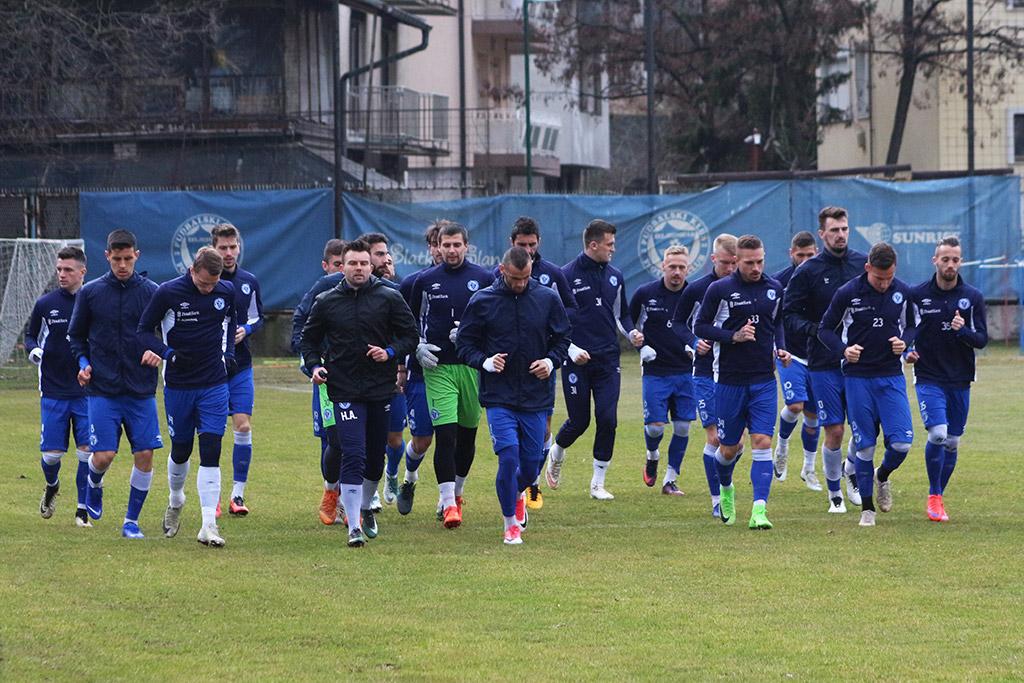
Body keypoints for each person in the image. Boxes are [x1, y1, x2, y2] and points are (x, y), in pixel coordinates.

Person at [300, 239, 418, 547]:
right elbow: (308, 341)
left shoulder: (388, 297)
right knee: (352, 452)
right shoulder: (326, 301)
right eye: (352, 263)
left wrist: (390, 351)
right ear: (343, 266)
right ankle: (353, 525)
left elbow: (411, 335)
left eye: (364, 263)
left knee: (375, 459)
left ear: (371, 265)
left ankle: (366, 509)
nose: (359, 269)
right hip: (343, 389)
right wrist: (315, 366)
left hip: (382, 389)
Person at [457, 246, 570, 544]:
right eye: (515, 278)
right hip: (498, 396)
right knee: (508, 458)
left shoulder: (547, 298)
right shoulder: (483, 300)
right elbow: (465, 344)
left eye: (526, 278)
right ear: (502, 269)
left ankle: (518, 492)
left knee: (531, 464)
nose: (520, 284)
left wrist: (549, 362)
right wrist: (484, 361)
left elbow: (562, 339)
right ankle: (510, 524)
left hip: (535, 396)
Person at [67, 229, 163, 539]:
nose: (122, 265)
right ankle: (94, 484)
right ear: (107, 256)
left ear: (137, 255)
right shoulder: (91, 293)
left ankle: (131, 522)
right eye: (116, 259)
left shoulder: (152, 292)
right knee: (104, 455)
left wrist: (157, 352)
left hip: (140, 388)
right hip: (103, 389)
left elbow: (166, 335)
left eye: (128, 258)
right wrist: (83, 364)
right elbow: (76, 336)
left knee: (145, 454)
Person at [138, 246, 236, 547]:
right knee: (181, 449)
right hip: (178, 385)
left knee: (211, 448)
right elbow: (142, 331)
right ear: (192, 270)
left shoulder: (227, 291)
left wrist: (229, 353)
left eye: (213, 285)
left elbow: (232, 324)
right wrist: (166, 353)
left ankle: (208, 525)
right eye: (204, 283)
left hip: (214, 384)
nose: (209, 289)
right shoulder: (168, 292)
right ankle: (176, 499)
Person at [695, 235, 790, 529]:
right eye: (750, 262)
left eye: (760, 261)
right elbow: (700, 326)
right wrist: (733, 337)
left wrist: (780, 347)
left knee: (762, 441)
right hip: (729, 382)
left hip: (763, 381)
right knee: (728, 449)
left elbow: (777, 323)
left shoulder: (774, 289)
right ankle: (726, 489)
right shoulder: (720, 290)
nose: (757, 267)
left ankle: (759, 511)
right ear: (737, 261)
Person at [819, 242, 917, 527]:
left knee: (901, 444)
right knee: (864, 447)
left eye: (889, 278)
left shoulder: (903, 292)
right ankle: (867, 510)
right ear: (867, 269)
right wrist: (843, 350)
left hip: (891, 377)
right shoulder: (848, 293)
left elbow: (912, 326)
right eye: (878, 278)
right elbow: (825, 329)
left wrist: (905, 341)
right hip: (858, 378)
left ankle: (882, 476)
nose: (885, 284)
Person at [546, 220, 643, 500]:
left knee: (608, 418)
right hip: (576, 360)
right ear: (593, 245)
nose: (613, 249)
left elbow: (621, 315)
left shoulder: (616, 276)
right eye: (610, 244)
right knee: (579, 422)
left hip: (608, 359)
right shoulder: (564, 276)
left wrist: (633, 332)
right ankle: (557, 452)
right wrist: (571, 348)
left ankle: (597, 483)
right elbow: (553, 322)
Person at [409, 221, 495, 527]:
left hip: (472, 367)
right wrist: (416, 346)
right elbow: (410, 321)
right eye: (446, 245)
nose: (452, 250)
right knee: (444, 435)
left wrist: (475, 338)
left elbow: (494, 321)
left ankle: (457, 492)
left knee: (467, 436)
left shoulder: (484, 278)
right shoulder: (425, 280)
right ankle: (448, 505)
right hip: (438, 367)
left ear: (466, 247)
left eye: (457, 245)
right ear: (438, 246)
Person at [783, 206, 868, 512]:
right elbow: (788, 314)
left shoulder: (863, 264)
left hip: (861, 363)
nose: (841, 235)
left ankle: (852, 471)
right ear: (822, 234)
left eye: (844, 229)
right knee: (835, 430)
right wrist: (814, 331)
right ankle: (835, 493)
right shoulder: (808, 272)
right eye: (834, 230)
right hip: (822, 363)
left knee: (865, 428)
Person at [491, 216, 576, 510]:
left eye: (532, 244)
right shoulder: (499, 276)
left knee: (542, 429)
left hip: (540, 365)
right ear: (511, 244)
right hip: (506, 372)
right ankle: (518, 488)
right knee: (511, 442)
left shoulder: (552, 274)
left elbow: (569, 312)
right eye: (521, 245)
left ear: (539, 242)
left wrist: (550, 339)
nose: (527, 250)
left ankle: (532, 482)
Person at [907, 236, 987, 522]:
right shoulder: (918, 295)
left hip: (961, 379)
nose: (950, 264)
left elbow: (981, 339)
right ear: (935, 260)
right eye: (945, 259)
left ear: (960, 262)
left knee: (953, 441)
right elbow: (907, 330)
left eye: (955, 259)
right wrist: (907, 350)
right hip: (929, 377)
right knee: (938, 434)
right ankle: (933, 495)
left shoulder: (972, 297)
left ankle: (938, 496)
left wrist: (962, 330)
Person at [671, 234, 738, 517]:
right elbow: (678, 322)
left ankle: (724, 482)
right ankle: (717, 500)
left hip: (736, 374)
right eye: (725, 263)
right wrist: (692, 341)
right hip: (705, 373)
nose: (731, 269)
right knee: (715, 439)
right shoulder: (697, 289)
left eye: (736, 263)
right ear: (714, 259)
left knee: (735, 444)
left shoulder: (745, 288)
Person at [26, 246, 92, 527]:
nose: (62, 274)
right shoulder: (45, 304)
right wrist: (36, 352)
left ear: (82, 272)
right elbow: (30, 338)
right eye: (59, 269)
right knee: (51, 456)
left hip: (88, 390)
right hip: (53, 389)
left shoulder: (93, 301)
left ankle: (81, 511)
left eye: (67, 269)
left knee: (87, 453)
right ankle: (52, 486)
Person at [291, 238, 351, 525]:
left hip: (363, 376)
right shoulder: (324, 288)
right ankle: (332, 494)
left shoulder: (378, 289)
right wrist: (309, 359)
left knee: (362, 439)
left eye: (351, 262)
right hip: (329, 377)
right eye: (340, 264)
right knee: (334, 438)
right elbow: (301, 323)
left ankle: (357, 499)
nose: (347, 269)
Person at [629, 245, 693, 496]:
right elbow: (628, 323)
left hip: (686, 372)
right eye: (672, 267)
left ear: (688, 269)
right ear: (662, 267)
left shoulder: (695, 294)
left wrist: (695, 344)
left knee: (683, 428)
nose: (677, 272)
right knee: (655, 427)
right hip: (655, 372)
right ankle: (652, 456)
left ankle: (670, 479)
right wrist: (640, 346)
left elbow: (703, 323)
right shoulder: (645, 294)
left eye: (681, 267)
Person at [212, 223, 263, 516]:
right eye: (223, 248)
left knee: (242, 426)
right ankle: (214, 495)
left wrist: (246, 328)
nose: (229, 253)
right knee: (214, 432)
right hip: (212, 369)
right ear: (213, 249)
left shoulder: (249, 281)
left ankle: (238, 496)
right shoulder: (205, 281)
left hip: (241, 366)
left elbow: (258, 318)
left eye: (233, 247)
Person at [395, 223, 444, 516]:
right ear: (430, 247)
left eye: (449, 243)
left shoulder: (474, 280)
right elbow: (401, 327)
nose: (443, 249)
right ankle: (409, 479)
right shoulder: (414, 282)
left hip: (457, 372)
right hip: (420, 373)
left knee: (450, 437)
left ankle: (447, 499)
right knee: (423, 438)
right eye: (437, 243)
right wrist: (402, 365)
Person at [359, 232, 407, 508]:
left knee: (394, 438)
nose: (385, 258)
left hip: (391, 374)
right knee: (366, 437)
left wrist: (399, 365)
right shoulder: (351, 289)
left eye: (387, 253)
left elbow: (407, 332)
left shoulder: (396, 289)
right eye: (379, 254)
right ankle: (371, 490)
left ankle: (391, 473)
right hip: (359, 377)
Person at [771, 231, 821, 484]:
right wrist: (776, 347)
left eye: (810, 255)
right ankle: (781, 448)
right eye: (800, 255)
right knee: (795, 406)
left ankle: (808, 469)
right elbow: (772, 318)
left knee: (813, 417)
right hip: (790, 353)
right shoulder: (779, 283)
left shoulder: (825, 277)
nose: (804, 260)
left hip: (820, 357)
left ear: (817, 253)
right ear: (791, 254)